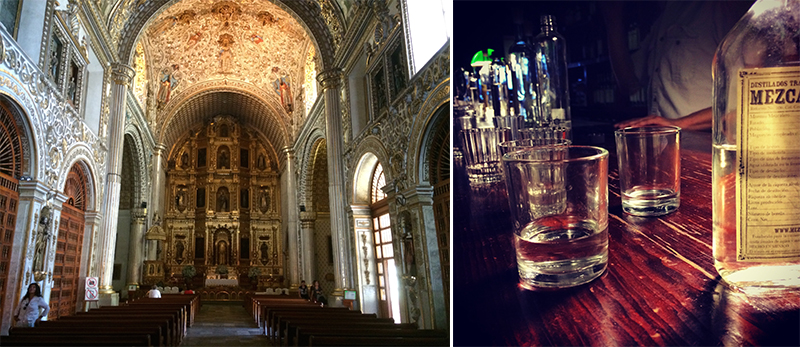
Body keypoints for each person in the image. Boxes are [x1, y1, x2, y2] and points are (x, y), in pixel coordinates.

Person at [602, 1, 751, 130]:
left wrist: (680, 123)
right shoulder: (662, 19)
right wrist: (613, 19)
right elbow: (628, 84)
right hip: (665, 143)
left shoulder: (720, 6)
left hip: (706, 144)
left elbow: (752, 97)